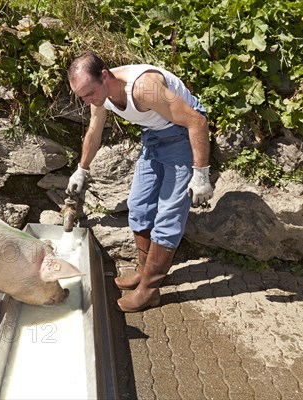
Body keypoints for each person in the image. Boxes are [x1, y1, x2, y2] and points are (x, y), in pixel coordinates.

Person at [66, 52, 213, 312]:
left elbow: (197, 121)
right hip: (154, 137)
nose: (89, 100)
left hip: (182, 137)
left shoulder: (144, 88)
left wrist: (200, 174)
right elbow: (94, 131)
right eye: (83, 97)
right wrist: (81, 170)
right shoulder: (98, 94)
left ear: (105, 75)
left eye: (90, 93)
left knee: (168, 216)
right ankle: (144, 271)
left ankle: (149, 290)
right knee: (139, 205)